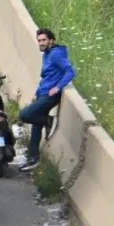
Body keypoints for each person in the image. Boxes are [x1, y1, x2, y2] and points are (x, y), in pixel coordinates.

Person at [18, 27, 74, 171]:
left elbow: (70, 71)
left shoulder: (55, 54)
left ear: (51, 40)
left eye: (44, 40)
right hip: (42, 93)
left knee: (25, 115)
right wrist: (36, 92)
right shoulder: (46, 54)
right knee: (36, 124)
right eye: (39, 41)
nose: (41, 43)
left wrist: (58, 87)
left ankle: (49, 121)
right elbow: (46, 77)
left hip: (50, 96)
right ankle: (33, 157)